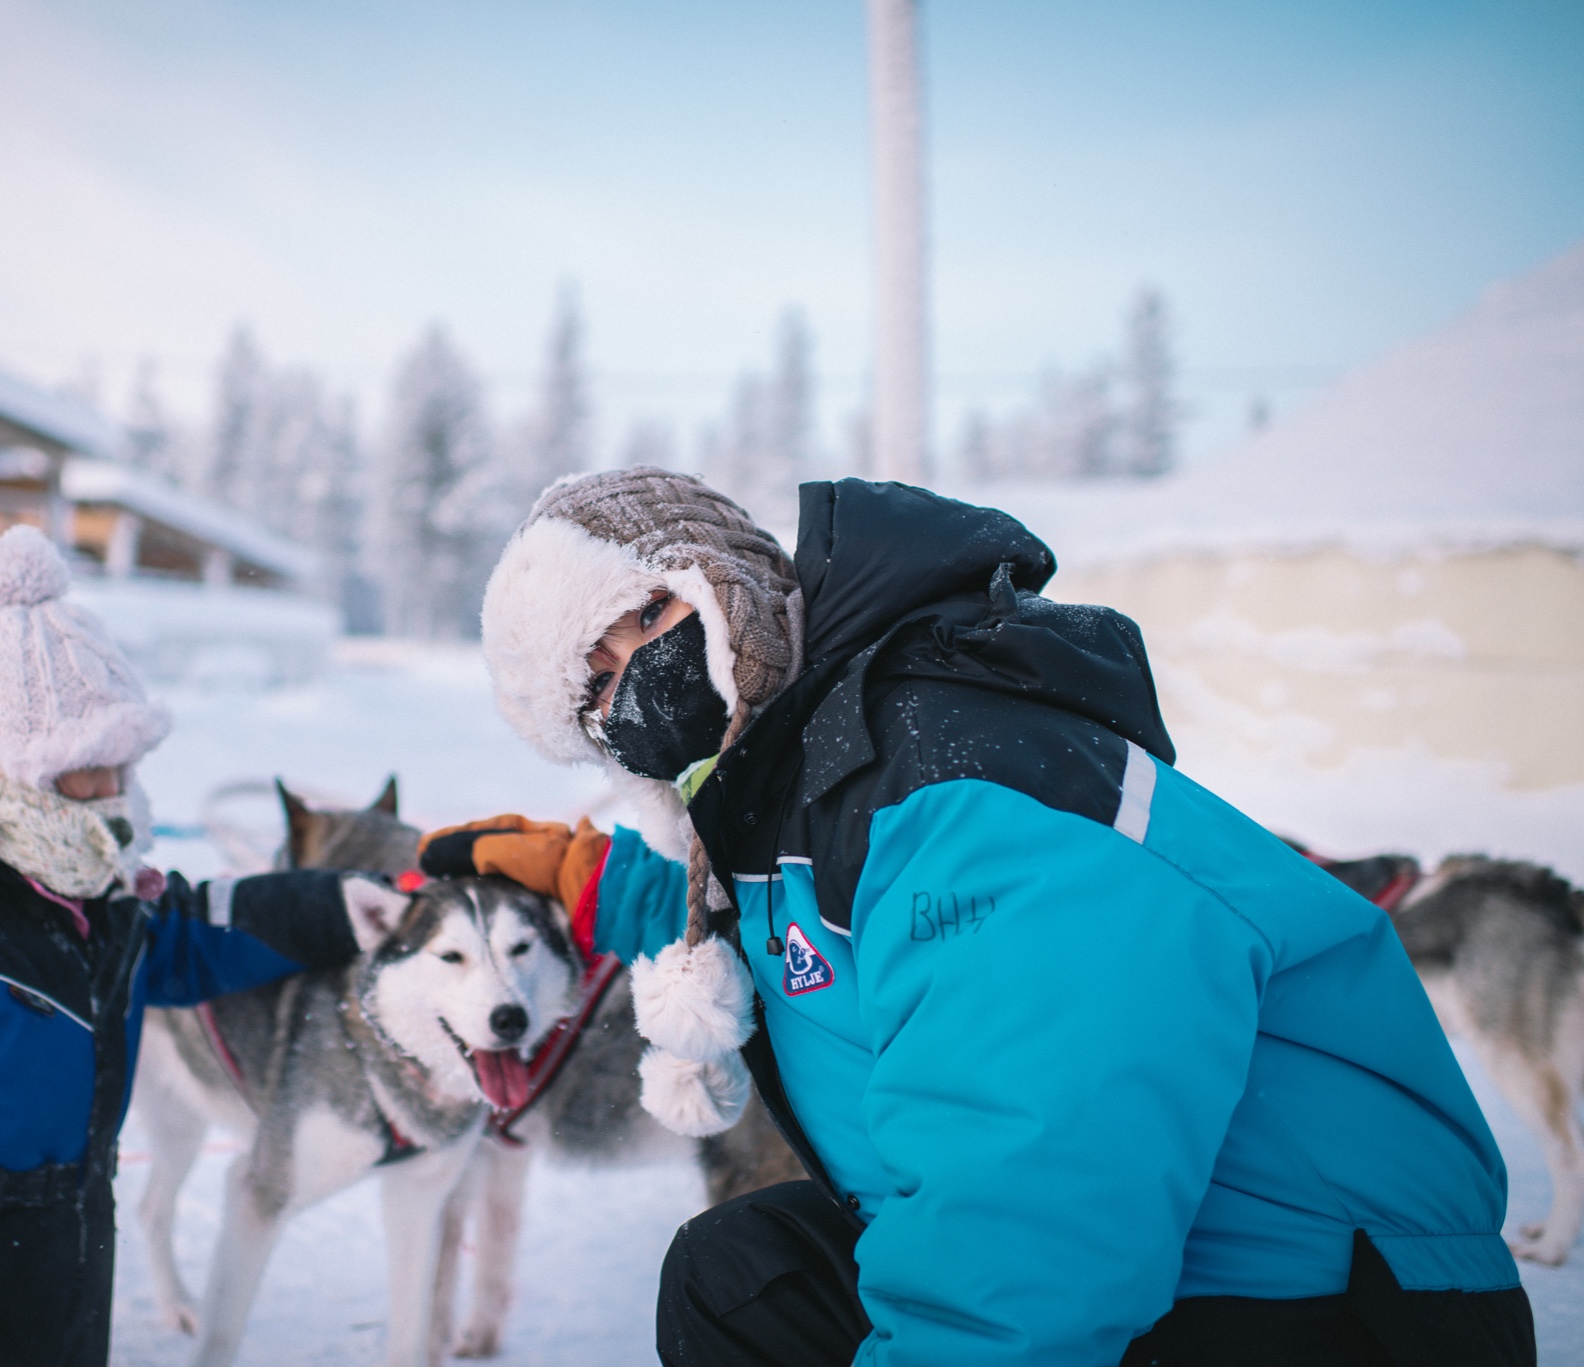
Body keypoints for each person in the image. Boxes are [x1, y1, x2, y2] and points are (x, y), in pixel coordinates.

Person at [419, 470, 1533, 1366]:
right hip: (1193, 1245)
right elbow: (770, 910)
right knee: (739, 1270)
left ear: (725, 582)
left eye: (649, 617)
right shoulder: (808, 767)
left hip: (1325, 1285)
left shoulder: (943, 768)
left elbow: (1036, 1185)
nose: (642, 682)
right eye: (599, 685)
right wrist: (573, 870)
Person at [0, 526, 394, 1367]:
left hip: (61, 1296)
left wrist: (342, 905)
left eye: (123, 765)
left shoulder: (90, 900)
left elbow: (196, 933)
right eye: (83, 771)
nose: (112, 799)